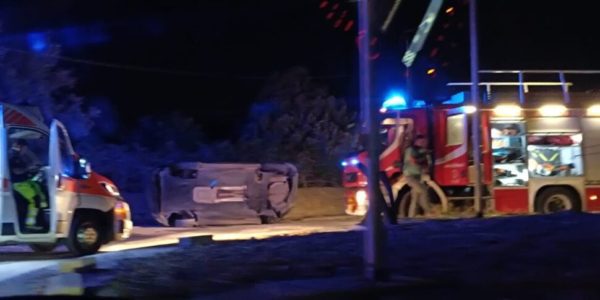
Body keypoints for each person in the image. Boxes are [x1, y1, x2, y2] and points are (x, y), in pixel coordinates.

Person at [9, 139, 47, 229]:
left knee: (41, 197)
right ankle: (31, 223)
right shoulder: (13, 157)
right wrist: (28, 168)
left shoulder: (18, 156)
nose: (26, 150)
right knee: (34, 200)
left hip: (24, 182)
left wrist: (33, 168)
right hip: (19, 184)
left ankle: (41, 221)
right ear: (20, 147)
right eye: (25, 148)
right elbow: (17, 171)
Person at [403, 134, 433, 217]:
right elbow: (413, 161)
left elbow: (427, 165)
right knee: (423, 190)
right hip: (410, 176)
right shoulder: (410, 150)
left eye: (425, 142)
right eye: (422, 141)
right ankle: (428, 211)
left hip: (418, 176)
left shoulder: (422, 151)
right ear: (417, 141)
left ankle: (411, 217)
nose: (424, 143)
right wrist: (422, 162)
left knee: (415, 198)